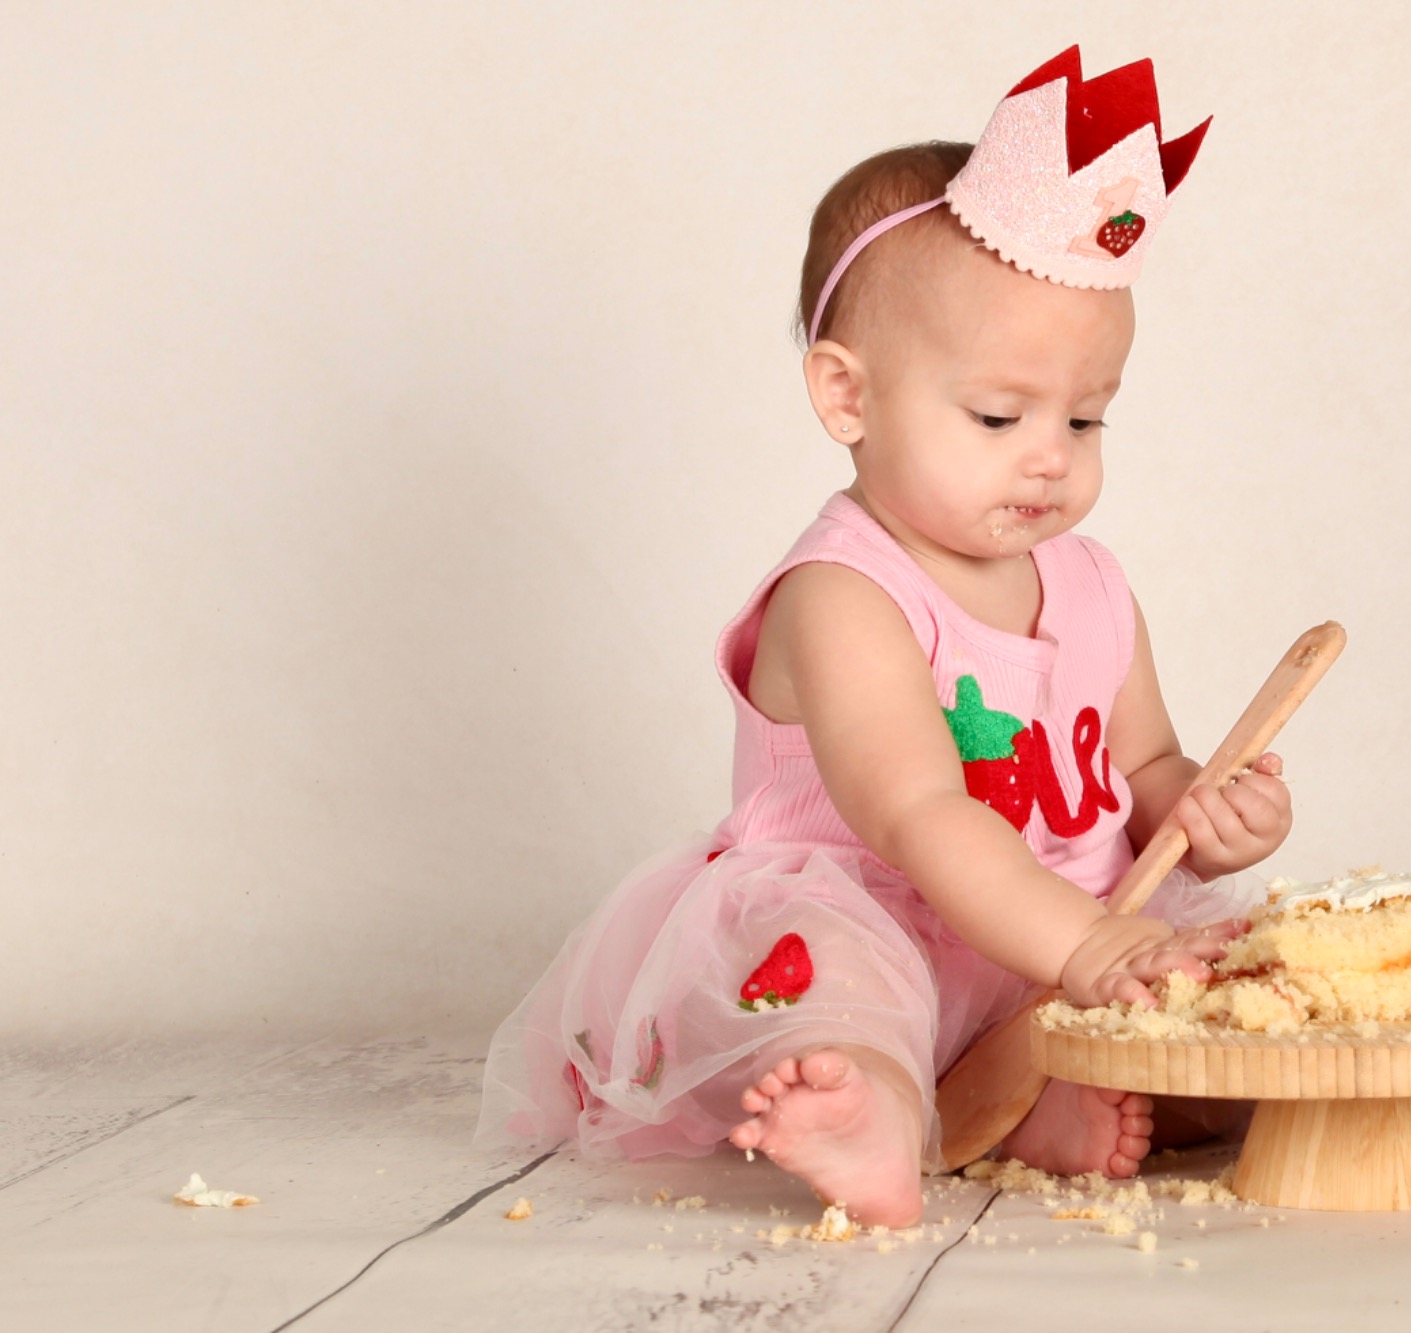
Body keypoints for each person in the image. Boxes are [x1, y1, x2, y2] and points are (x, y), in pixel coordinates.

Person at [477, 47, 1291, 1228]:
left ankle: (1036, 1102)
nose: (1049, 455)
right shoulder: (842, 594)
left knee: (1239, 1039)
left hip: (1062, 931)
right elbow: (918, 815)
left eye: (1084, 418)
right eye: (998, 415)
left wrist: (1205, 816)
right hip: (886, 919)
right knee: (843, 997)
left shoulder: (1093, 585)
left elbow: (1147, 766)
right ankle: (874, 1111)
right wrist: (1091, 951)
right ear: (848, 397)